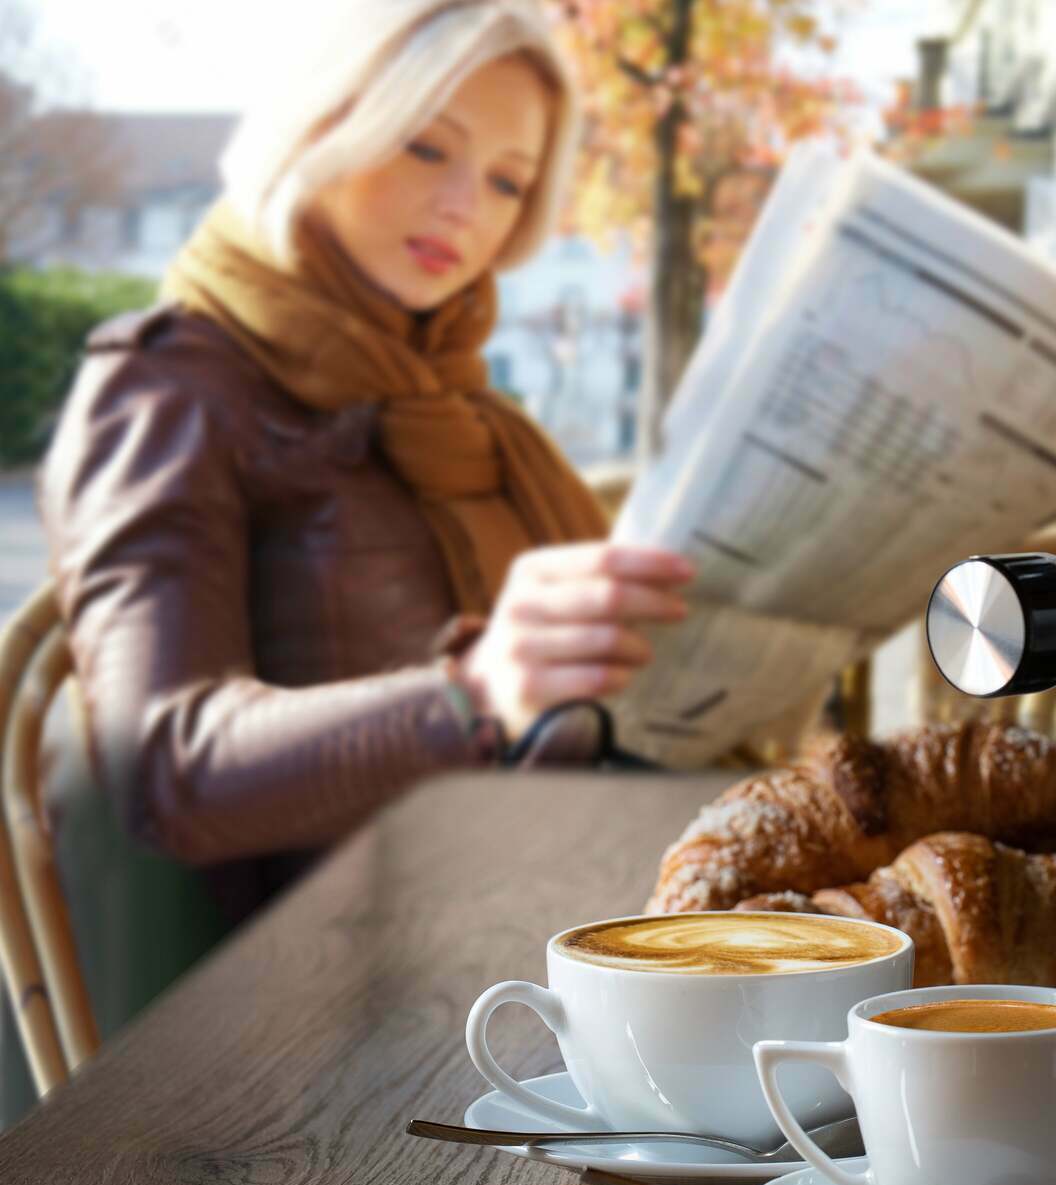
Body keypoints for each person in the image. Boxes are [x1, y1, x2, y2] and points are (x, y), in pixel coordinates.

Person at [36, 0, 692, 941]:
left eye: (508, 181)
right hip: (345, 978)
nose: (465, 207)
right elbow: (163, 773)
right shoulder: (168, 388)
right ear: (322, 124)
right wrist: (473, 694)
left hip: (551, 904)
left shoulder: (469, 411)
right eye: (427, 148)